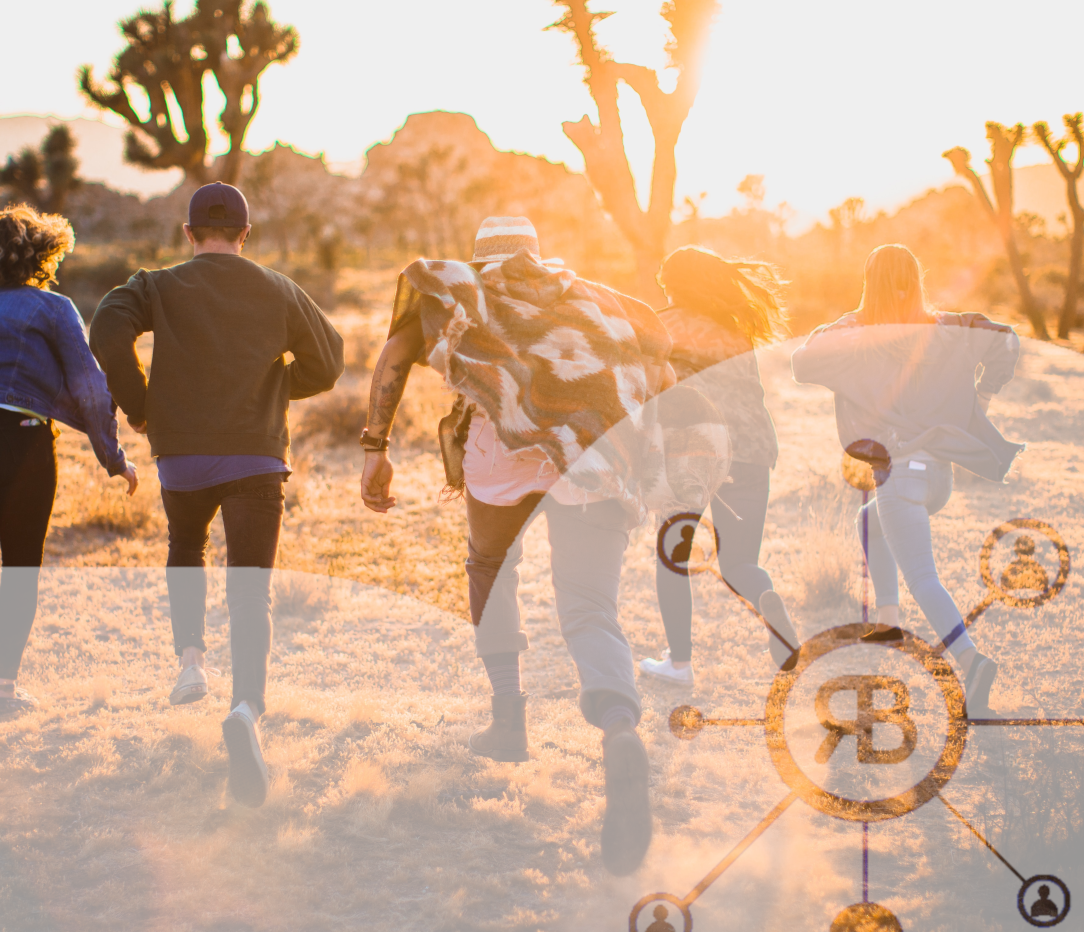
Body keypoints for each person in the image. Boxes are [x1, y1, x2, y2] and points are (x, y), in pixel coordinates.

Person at [360, 216, 679, 876]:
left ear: (479, 257)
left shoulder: (459, 293)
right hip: (591, 461)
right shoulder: (596, 298)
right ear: (538, 254)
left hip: (500, 462)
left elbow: (393, 359)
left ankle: (509, 722)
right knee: (591, 609)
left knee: (491, 570)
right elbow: (661, 357)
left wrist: (375, 447)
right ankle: (620, 726)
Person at [90, 182, 343, 808]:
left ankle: (191, 663)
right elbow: (331, 359)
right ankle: (246, 710)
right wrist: (277, 385)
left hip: (183, 457)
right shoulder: (279, 288)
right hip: (257, 452)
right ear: (245, 235)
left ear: (189, 233)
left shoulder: (157, 285)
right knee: (249, 586)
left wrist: (142, 404)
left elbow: (104, 330)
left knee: (186, 543)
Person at [0, 204, 136, 717]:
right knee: (19, 573)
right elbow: (88, 385)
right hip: (21, 436)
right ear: (42, 253)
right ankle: (3, 695)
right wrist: (113, 457)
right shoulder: (53, 308)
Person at [791, 244, 1022, 716]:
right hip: (937, 477)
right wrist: (984, 396)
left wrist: (852, 318)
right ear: (917, 280)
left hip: (899, 474)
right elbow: (1007, 339)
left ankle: (972, 662)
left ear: (867, 283)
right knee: (868, 518)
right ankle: (889, 622)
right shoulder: (947, 327)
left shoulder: (858, 335)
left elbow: (802, 360)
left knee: (923, 576)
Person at [639, 246, 801, 687]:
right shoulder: (736, 331)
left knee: (673, 553)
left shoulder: (663, 325)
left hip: (694, 453)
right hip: (752, 451)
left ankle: (679, 665)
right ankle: (766, 600)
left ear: (675, 285)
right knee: (739, 564)